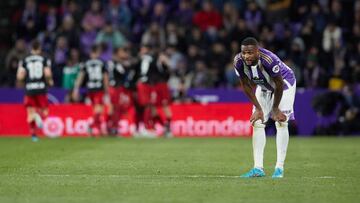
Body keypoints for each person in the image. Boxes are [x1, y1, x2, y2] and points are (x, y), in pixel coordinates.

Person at [233, 37, 296, 178]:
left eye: (250, 53)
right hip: (264, 87)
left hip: (284, 84)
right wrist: (258, 109)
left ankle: (279, 168)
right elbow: (245, 84)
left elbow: (279, 84)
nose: (246, 56)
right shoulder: (238, 61)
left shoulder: (269, 60)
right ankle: (258, 169)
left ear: (257, 51)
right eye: (244, 53)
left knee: (281, 123)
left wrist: (275, 109)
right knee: (257, 122)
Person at [16, 40, 54, 142]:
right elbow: (47, 74)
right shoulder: (44, 59)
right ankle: (38, 115)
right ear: (40, 48)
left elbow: (19, 76)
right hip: (41, 88)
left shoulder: (24, 59)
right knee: (45, 112)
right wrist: (50, 81)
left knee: (30, 113)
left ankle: (33, 135)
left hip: (30, 88)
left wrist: (24, 80)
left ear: (31, 48)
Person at [73, 45, 109, 136]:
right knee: (98, 109)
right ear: (97, 53)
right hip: (98, 88)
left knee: (96, 109)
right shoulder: (102, 63)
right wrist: (107, 90)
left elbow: (80, 77)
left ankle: (98, 128)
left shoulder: (86, 63)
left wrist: (76, 89)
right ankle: (93, 126)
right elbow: (105, 78)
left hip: (90, 88)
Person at [107, 46, 138, 135]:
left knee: (113, 108)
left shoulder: (110, 62)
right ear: (118, 53)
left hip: (112, 87)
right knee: (116, 108)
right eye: (123, 52)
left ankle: (111, 127)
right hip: (116, 88)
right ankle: (113, 128)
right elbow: (123, 72)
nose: (125, 54)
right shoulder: (116, 63)